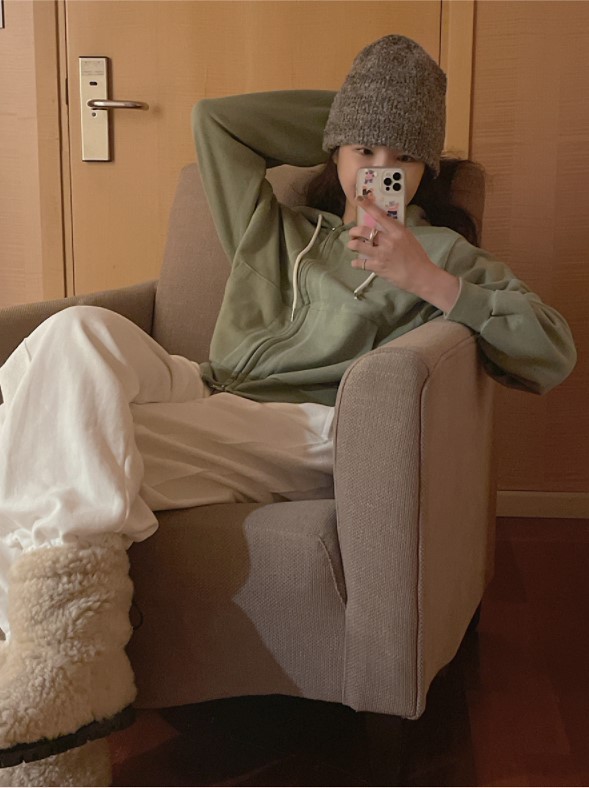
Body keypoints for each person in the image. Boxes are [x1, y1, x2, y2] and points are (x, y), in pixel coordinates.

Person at [0, 34, 576, 784]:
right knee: (72, 337)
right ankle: (67, 672)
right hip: (210, 391)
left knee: (51, 436)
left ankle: (59, 682)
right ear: (333, 152)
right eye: (361, 151)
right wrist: (360, 116)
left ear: (425, 169)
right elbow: (216, 122)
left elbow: (550, 351)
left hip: (308, 430)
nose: (377, 172)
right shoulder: (276, 227)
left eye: (402, 157)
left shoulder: (441, 252)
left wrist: (429, 282)